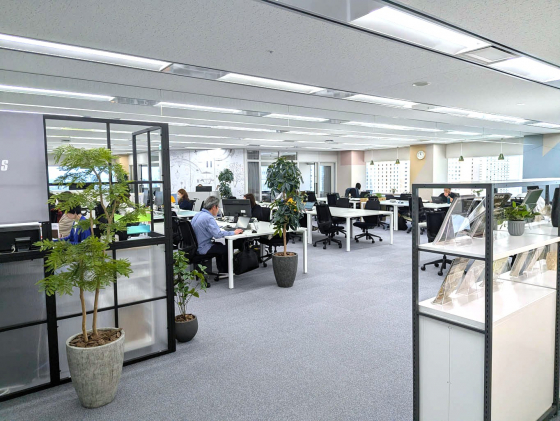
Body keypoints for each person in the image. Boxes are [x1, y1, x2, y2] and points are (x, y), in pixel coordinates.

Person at [191, 196, 242, 275]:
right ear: (214, 207)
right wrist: (234, 232)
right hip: (203, 248)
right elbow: (218, 235)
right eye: (218, 207)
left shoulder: (198, 214)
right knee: (227, 248)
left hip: (195, 247)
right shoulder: (208, 218)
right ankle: (226, 272)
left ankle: (222, 270)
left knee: (220, 245)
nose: (218, 209)